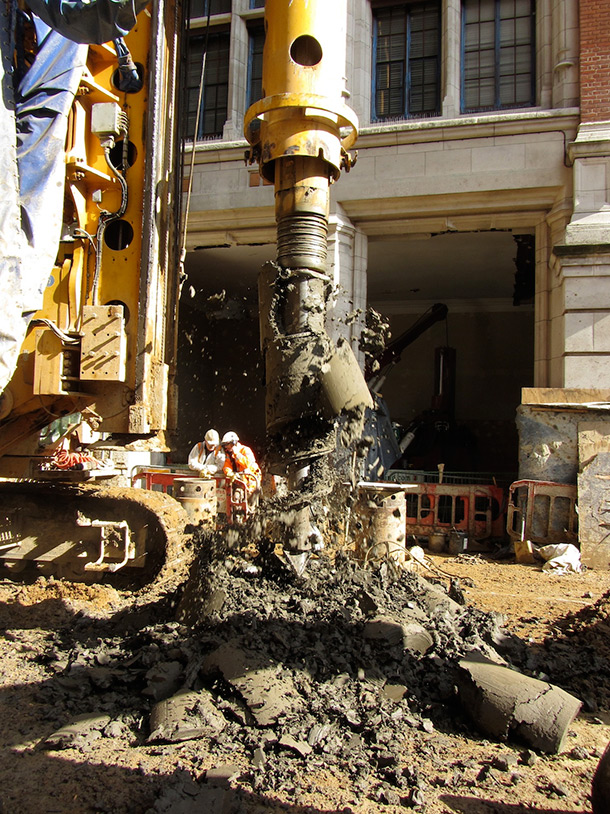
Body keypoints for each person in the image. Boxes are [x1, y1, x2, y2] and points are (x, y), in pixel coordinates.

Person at [221, 431, 261, 497]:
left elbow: (247, 464)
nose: (225, 447)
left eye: (226, 444)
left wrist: (236, 454)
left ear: (233, 443)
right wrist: (229, 473)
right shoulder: (229, 454)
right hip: (240, 480)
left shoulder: (245, 450)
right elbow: (226, 465)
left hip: (250, 480)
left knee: (249, 501)